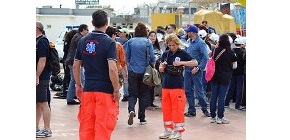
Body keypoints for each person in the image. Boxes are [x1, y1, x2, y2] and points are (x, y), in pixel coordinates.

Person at [73, 10, 120, 140]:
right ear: (107, 23)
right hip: (105, 91)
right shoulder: (110, 42)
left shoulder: (83, 41)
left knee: (86, 125)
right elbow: (112, 69)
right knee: (103, 126)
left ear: (92, 23)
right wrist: (116, 90)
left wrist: (78, 85)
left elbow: (76, 66)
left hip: (88, 89)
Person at [158, 34, 198, 139]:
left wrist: (181, 63)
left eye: (173, 45)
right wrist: (162, 67)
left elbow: (195, 62)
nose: (171, 47)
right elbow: (161, 69)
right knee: (166, 109)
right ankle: (168, 129)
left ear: (177, 44)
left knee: (178, 109)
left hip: (178, 86)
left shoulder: (182, 53)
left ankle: (178, 131)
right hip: (166, 85)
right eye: (170, 45)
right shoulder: (165, 54)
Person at [123, 22, 155, 125]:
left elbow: (126, 58)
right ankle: (142, 118)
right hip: (145, 72)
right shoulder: (148, 42)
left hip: (132, 71)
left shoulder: (130, 42)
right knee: (144, 94)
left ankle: (131, 110)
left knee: (132, 94)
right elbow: (152, 57)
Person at [209, 34, 237, 124]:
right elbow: (235, 66)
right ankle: (220, 117)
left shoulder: (215, 50)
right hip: (225, 77)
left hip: (214, 76)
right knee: (221, 97)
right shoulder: (230, 52)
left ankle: (212, 116)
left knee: (213, 96)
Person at [183, 25, 210, 117]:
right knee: (188, 90)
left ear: (192, 33)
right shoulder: (188, 42)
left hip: (196, 70)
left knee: (199, 90)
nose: (187, 33)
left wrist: (198, 68)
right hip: (187, 69)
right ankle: (191, 110)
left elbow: (205, 57)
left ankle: (204, 109)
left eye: (188, 32)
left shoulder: (201, 43)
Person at [65, 24, 89, 105]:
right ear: (83, 30)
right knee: (79, 79)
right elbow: (81, 51)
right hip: (74, 62)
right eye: (87, 30)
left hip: (71, 61)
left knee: (74, 79)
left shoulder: (76, 36)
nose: (88, 32)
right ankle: (81, 97)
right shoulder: (79, 38)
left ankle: (71, 97)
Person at [36, 21, 52, 138]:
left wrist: (36, 75)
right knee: (37, 103)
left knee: (43, 103)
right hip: (39, 77)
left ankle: (47, 129)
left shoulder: (42, 41)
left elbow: (42, 60)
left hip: (42, 77)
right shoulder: (37, 41)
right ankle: (36, 128)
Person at [225, 37, 246, 110]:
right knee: (240, 89)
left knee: (231, 88)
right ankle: (237, 105)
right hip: (240, 73)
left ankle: (226, 103)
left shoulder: (232, 51)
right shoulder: (243, 52)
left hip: (232, 72)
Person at [147, 30, 162, 109]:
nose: (153, 37)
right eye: (151, 36)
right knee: (148, 85)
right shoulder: (147, 45)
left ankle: (151, 102)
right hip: (149, 68)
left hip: (156, 67)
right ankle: (147, 103)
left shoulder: (157, 46)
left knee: (153, 85)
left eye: (154, 36)